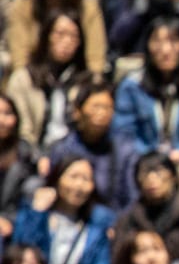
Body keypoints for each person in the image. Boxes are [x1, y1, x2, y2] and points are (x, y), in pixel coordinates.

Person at [110, 16, 179, 206]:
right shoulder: (132, 86)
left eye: (173, 41)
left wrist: (175, 157)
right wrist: (152, 158)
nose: (165, 50)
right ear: (147, 46)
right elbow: (124, 134)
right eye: (157, 41)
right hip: (142, 159)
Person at [11, 155, 114, 264]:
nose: (79, 185)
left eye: (86, 179)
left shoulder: (97, 227)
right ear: (57, 179)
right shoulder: (34, 215)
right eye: (73, 177)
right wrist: (37, 213)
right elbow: (20, 253)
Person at [45, 80, 138, 214]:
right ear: (77, 111)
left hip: (110, 221)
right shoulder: (62, 149)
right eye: (96, 106)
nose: (102, 113)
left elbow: (131, 196)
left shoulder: (124, 150)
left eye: (107, 108)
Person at [6, 11, 90, 150]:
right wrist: (35, 157)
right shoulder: (23, 79)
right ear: (46, 36)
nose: (67, 41)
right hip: (33, 152)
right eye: (60, 34)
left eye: (73, 36)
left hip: (76, 153)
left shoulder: (86, 82)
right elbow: (22, 131)